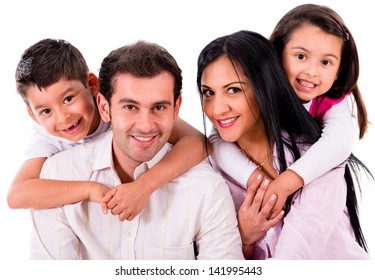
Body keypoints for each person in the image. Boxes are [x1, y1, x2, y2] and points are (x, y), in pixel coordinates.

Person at [30, 40, 242, 260]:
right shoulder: (57, 175)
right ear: (104, 107)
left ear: (176, 109)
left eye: (158, 107)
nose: (145, 125)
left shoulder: (207, 188)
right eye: (130, 107)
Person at [197, 29, 370, 259]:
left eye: (234, 90)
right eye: (208, 92)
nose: (217, 109)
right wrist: (243, 237)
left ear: (265, 87)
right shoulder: (209, 169)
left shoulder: (319, 160)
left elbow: (293, 259)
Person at [8, 38, 209, 221]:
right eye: (45, 111)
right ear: (33, 116)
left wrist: (144, 186)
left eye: (68, 99)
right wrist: (88, 190)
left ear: (93, 85)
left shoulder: (121, 108)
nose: (62, 118)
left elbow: (197, 142)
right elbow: (17, 195)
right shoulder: (46, 137)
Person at [209, 3, 370, 219]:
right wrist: (257, 180)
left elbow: (338, 143)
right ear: (277, 52)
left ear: (339, 70)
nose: (312, 71)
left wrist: (285, 183)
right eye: (301, 56)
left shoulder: (330, 100)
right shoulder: (256, 89)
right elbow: (217, 142)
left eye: (326, 62)